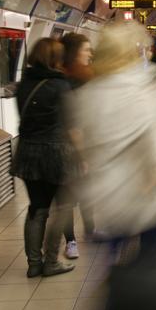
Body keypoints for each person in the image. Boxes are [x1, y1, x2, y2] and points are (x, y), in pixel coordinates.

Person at [65, 20, 156, 258]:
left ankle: (117, 285)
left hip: (111, 203)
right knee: (149, 264)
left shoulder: (89, 92)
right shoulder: (145, 84)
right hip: (148, 202)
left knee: (117, 267)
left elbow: (84, 143)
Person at [10, 38, 75, 277]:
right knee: (64, 206)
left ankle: (34, 263)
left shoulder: (22, 85)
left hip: (27, 152)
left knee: (37, 208)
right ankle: (51, 262)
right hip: (56, 152)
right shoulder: (61, 86)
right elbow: (72, 123)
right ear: (55, 59)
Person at [59, 33, 96, 259]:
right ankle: (70, 240)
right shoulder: (62, 82)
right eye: (86, 49)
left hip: (85, 142)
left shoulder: (87, 77)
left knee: (87, 191)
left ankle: (91, 230)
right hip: (66, 147)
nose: (90, 54)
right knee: (66, 198)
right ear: (74, 53)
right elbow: (70, 123)